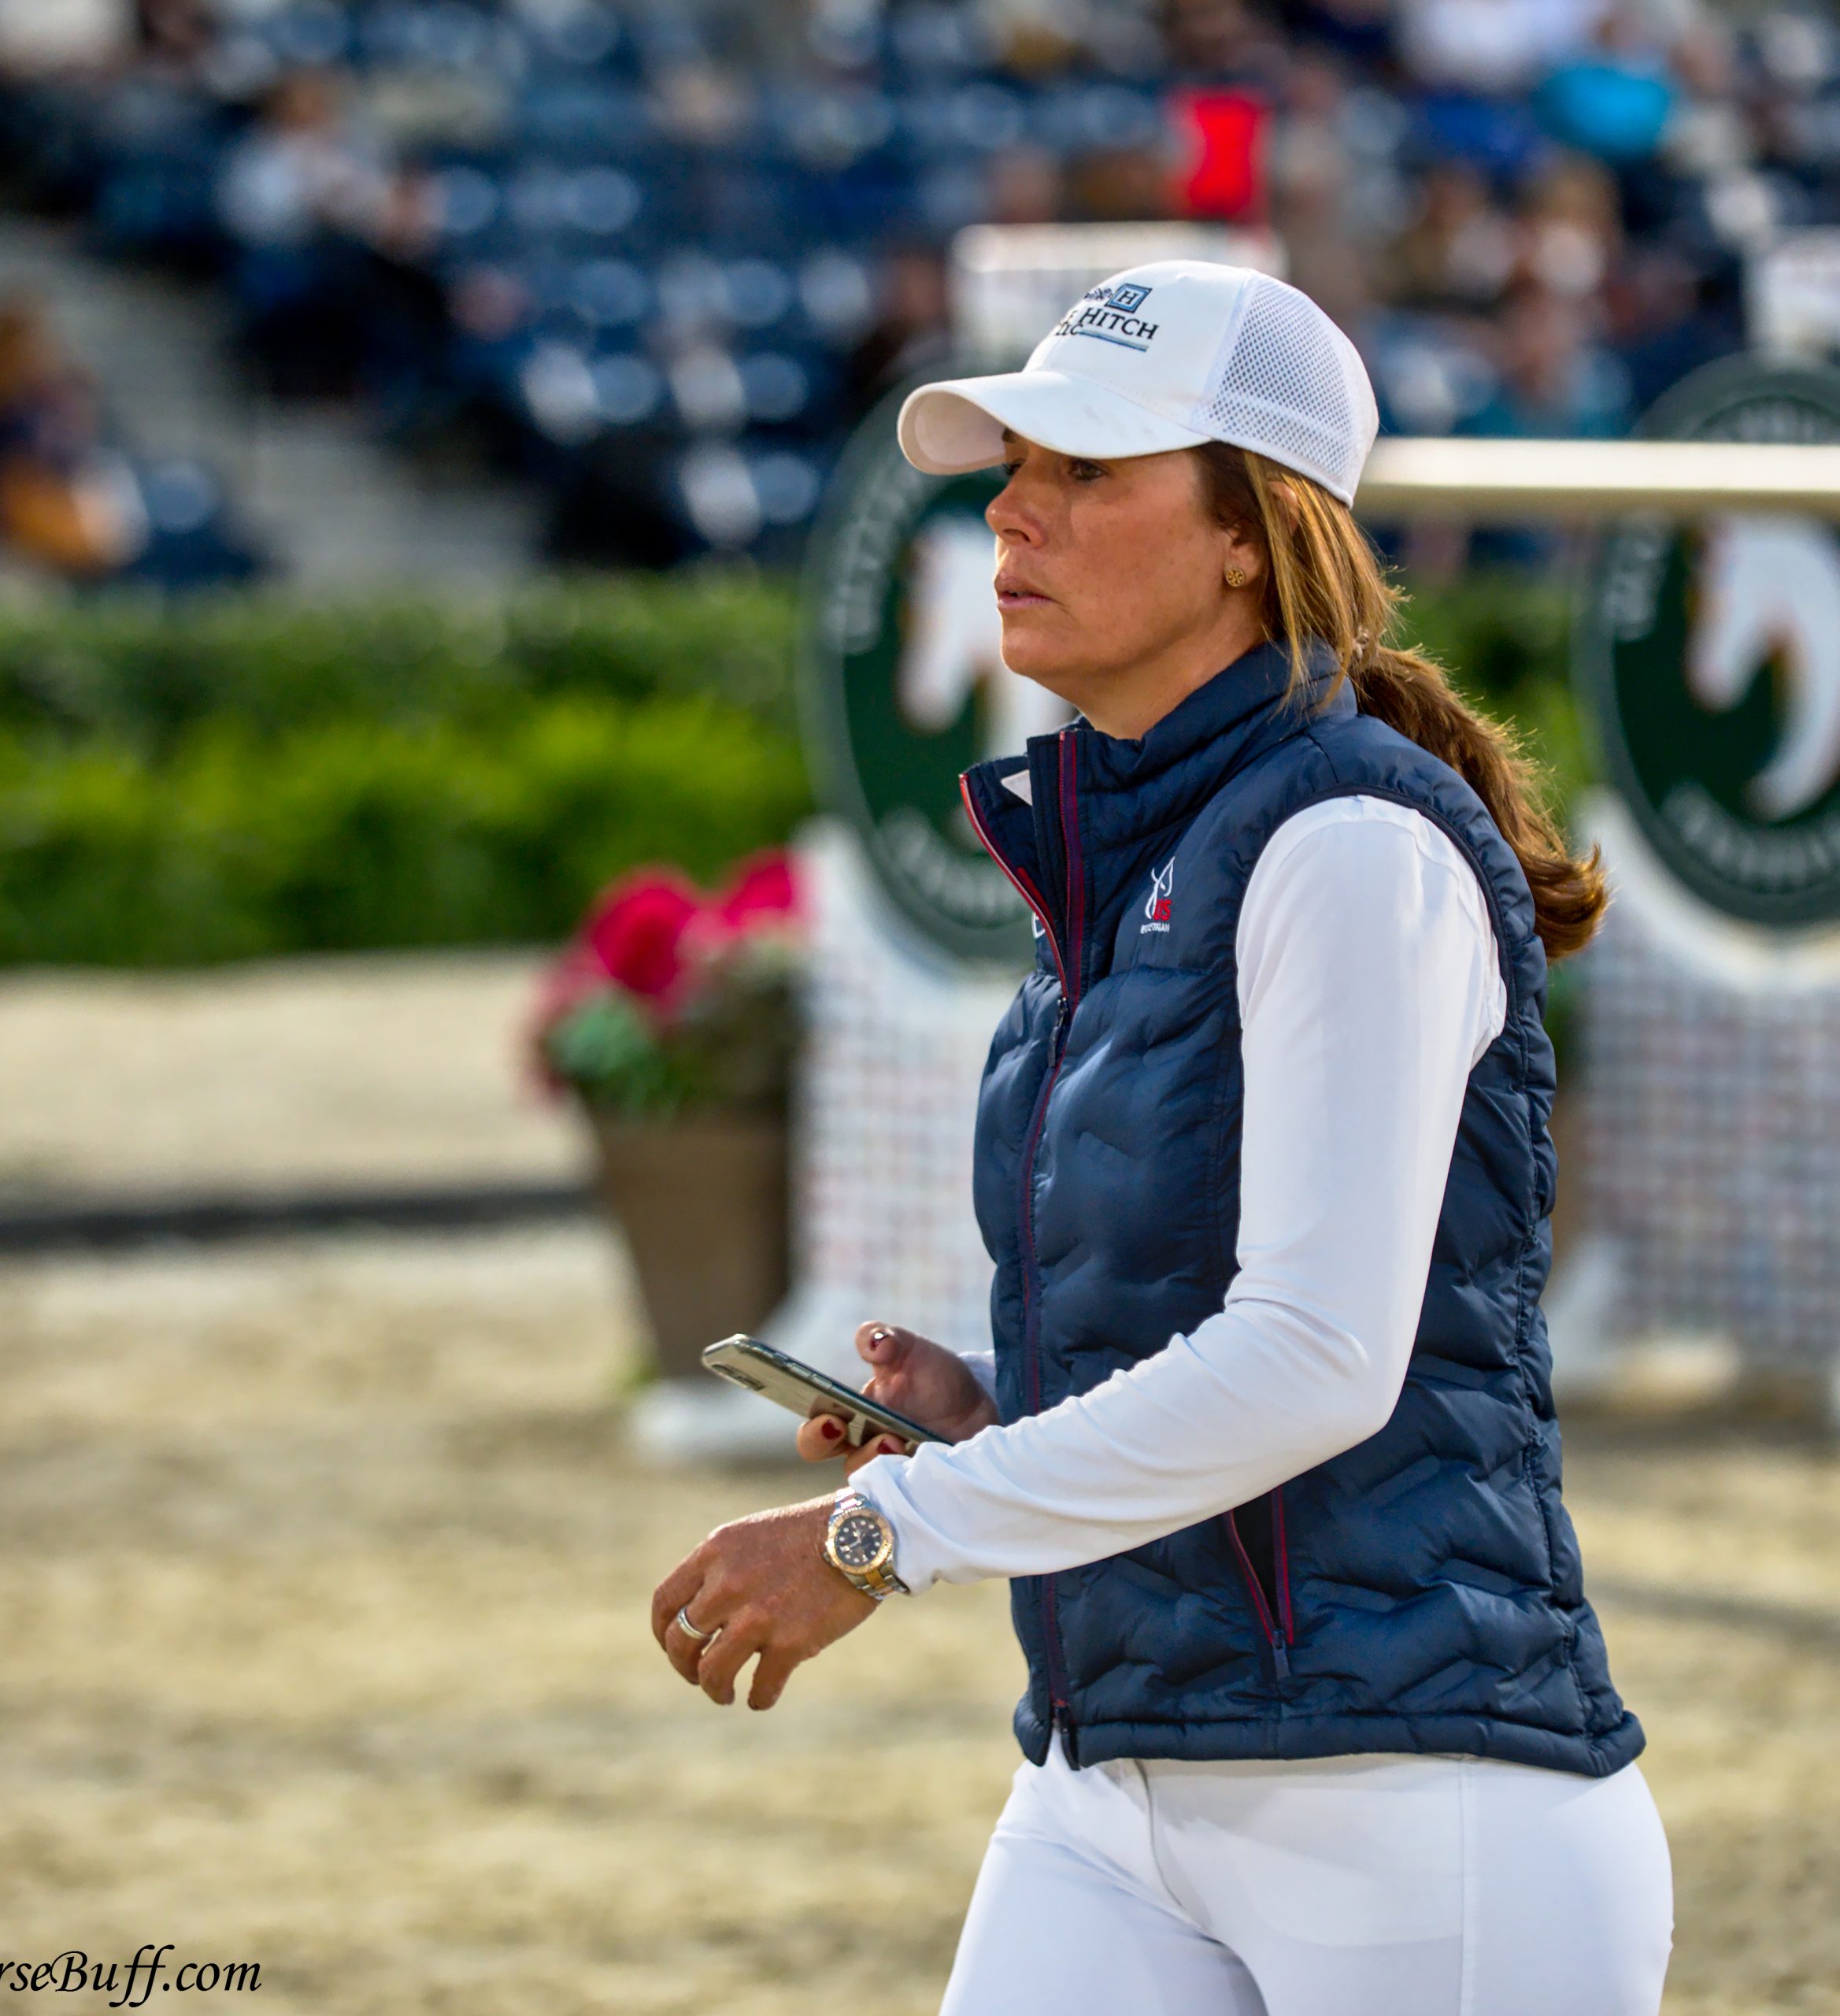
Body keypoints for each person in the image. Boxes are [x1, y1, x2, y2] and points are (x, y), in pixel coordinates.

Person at [650, 260, 1672, 2014]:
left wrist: (880, 1529)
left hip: (1421, 1801)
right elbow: (1223, 1330)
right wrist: (998, 1406)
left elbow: (1317, 1360)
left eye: (1082, 469)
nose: (1008, 510)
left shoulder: (1350, 842)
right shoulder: (1117, 862)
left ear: (1246, 539)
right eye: (1010, 463)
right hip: (1110, 1775)